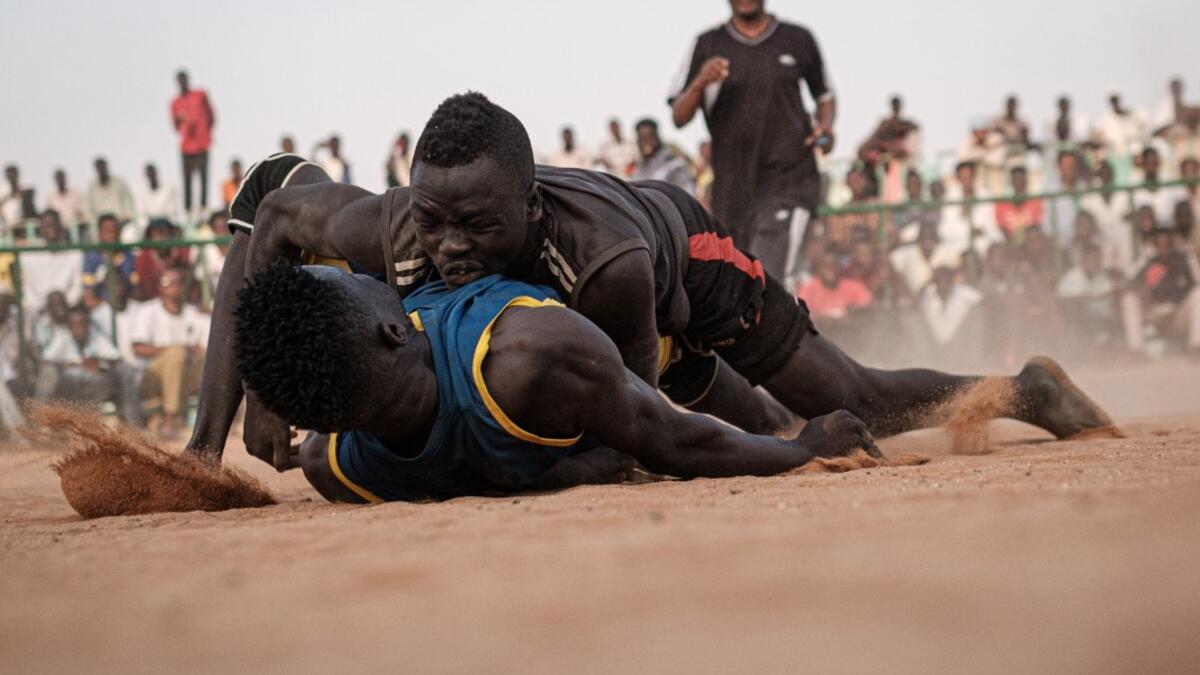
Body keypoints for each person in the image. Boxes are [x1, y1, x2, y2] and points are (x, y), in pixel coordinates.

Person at [184, 92, 1117, 471]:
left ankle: (1024, 392)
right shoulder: (395, 227)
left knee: (848, 403)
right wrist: (209, 439)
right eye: (434, 219)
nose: (451, 245)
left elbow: (630, 438)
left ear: (529, 207)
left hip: (686, 257)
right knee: (751, 428)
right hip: (596, 313)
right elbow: (267, 215)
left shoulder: (604, 264)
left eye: (476, 224)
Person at [235, 264, 885, 500]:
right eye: (358, 282)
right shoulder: (525, 357)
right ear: (391, 332)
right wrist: (807, 449)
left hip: (596, 391)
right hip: (651, 331)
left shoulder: (336, 466)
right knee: (853, 400)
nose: (372, 273)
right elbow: (671, 438)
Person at [669, 0, 836, 281]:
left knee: (771, 282)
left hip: (789, 180)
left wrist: (826, 128)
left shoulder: (797, 38)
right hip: (732, 192)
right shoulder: (708, 44)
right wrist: (700, 82)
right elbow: (678, 116)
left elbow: (825, 97)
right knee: (739, 286)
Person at [131, 267, 208, 438]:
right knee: (176, 353)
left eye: (177, 282)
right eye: (167, 283)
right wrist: (175, 349)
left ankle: (214, 418)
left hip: (184, 377)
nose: (173, 287)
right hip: (151, 377)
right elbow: (137, 348)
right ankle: (170, 418)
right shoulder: (147, 311)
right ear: (160, 288)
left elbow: (202, 349)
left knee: (207, 359)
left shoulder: (193, 313)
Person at [35, 305, 142, 425]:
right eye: (75, 324)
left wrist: (100, 362)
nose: (80, 328)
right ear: (69, 327)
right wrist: (75, 364)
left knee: (125, 369)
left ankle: (133, 422)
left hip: (95, 388)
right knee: (49, 372)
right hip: (68, 389)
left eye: (83, 323)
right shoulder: (62, 337)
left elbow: (117, 359)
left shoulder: (96, 336)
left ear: (88, 324)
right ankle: (39, 423)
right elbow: (45, 362)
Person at [1120, 227, 1200, 354]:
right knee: (1129, 298)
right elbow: (1130, 284)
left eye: (1167, 244)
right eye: (1160, 245)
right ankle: (1135, 349)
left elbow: (1195, 285)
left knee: (1198, 294)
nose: (1164, 249)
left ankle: (1196, 346)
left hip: (1178, 316)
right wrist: (1143, 290)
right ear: (1155, 246)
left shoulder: (1184, 261)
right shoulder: (1149, 263)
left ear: (1173, 245)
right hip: (1155, 316)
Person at [857, 95, 920, 203]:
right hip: (886, 170)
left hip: (899, 168)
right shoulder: (885, 125)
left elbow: (908, 147)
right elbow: (863, 149)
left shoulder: (906, 126)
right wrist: (884, 149)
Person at [1057, 243, 1120, 347]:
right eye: (1090, 259)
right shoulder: (1072, 277)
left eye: (1096, 259)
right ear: (1083, 260)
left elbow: (1110, 294)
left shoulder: (1103, 277)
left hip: (1103, 316)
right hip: (1078, 318)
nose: (1093, 263)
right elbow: (1066, 299)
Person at [170, 69, 215, 216]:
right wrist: (180, 119)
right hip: (186, 147)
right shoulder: (175, 102)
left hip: (202, 144)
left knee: (203, 178)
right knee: (187, 180)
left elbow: (211, 115)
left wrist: (206, 132)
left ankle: (203, 209)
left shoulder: (200, 95)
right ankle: (188, 211)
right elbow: (175, 126)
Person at [21, 211, 83, 312]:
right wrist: (40, 307)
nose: (51, 228)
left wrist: (65, 305)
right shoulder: (28, 254)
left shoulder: (75, 253)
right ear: (41, 229)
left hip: (67, 309)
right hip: (36, 309)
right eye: (46, 225)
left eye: (54, 224)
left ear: (61, 227)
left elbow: (77, 287)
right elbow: (28, 288)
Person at [1079, 160, 1135, 275]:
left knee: (1127, 269)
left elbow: (1130, 216)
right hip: (1100, 240)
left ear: (1113, 175)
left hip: (1123, 239)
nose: (1105, 175)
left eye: (1108, 172)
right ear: (1097, 176)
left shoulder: (1123, 194)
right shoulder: (1090, 196)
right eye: (1102, 172)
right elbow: (1084, 217)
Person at [920, 266, 982, 353]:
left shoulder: (965, 293)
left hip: (961, 341)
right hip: (935, 343)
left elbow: (982, 302)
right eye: (938, 280)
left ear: (951, 280)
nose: (942, 283)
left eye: (944, 279)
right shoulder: (928, 295)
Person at [795, 252, 872, 321]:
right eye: (826, 266)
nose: (830, 269)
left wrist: (852, 312)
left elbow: (866, 307)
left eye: (833, 265)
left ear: (839, 268)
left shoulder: (854, 287)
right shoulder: (809, 288)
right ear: (819, 269)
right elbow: (801, 313)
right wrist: (824, 317)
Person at [81, 214, 135, 303]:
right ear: (99, 233)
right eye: (107, 231)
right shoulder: (91, 258)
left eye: (114, 230)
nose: (112, 234)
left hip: (126, 306)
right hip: (101, 307)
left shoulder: (128, 256)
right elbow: (88, 294)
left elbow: (135, 288)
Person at [630, 118, 694, 192]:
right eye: (641, 138)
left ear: (657, 137)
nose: (645, 142)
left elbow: (687, 196)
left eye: (649, 137)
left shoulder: (675, 164)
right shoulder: (638, 168)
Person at [994, 166, 1044, 241]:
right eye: (1016, 178)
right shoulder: (1002, 204)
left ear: (1026, 181)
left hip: (1030, 243)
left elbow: (1037, 225)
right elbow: (1001, 227)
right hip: (1009, 243)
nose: (1019, 182)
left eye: (1021, 178)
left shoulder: (1035, 202)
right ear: (1011, 182)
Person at [86, 157, 136, 228]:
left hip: (121, 222)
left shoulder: (119, 183)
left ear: (107, 167)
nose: (101, 170)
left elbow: (128, 202)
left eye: (103, 167)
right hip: (100, 225)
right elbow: (88, 208)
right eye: (99, 168)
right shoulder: (91, 187)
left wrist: (127, 218)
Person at [137, 163, 179, 230]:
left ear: (156, 173)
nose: (151, 176)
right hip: (149, 226)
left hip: (166, 223)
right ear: (146, 176)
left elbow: (172, 211)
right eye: (149, 174)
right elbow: (142, 213)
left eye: (152, 174)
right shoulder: (141, 192)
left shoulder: (169, 189)